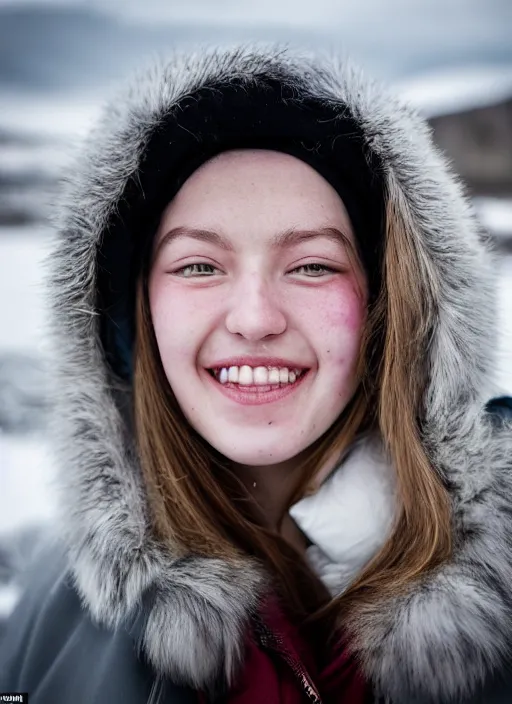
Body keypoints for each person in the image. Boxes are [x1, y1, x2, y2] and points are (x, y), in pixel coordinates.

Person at [1, 44, 511, 704]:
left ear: (393, 306)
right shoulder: (53, 612)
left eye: (313, 266)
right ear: (131, 315)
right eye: (198, 266)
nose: (254, 319)